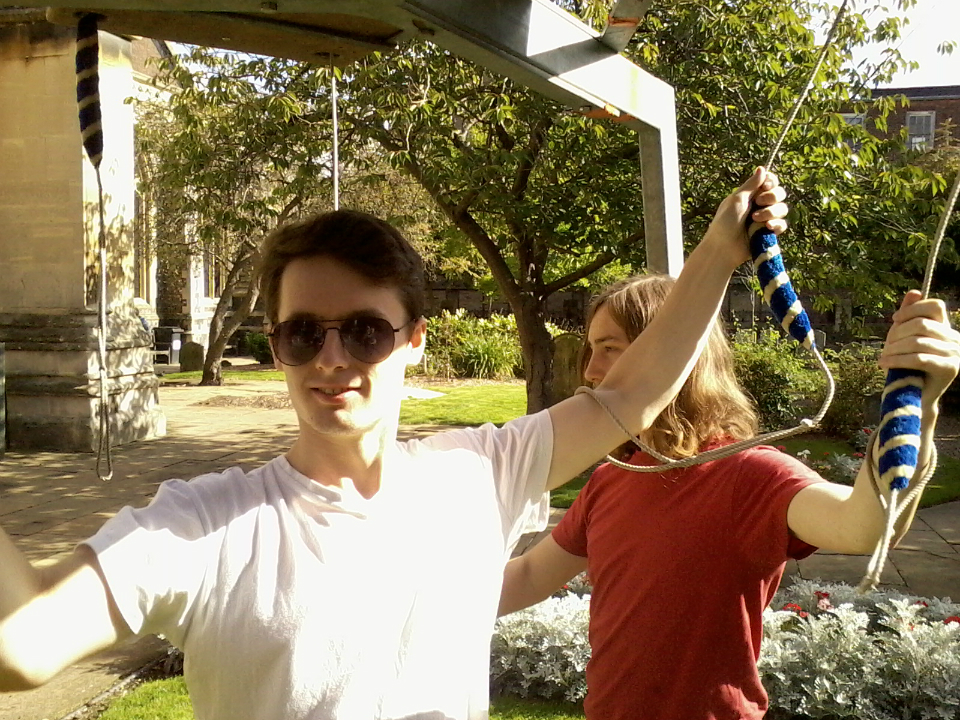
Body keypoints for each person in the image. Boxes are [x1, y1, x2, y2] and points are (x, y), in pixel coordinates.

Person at [0, 169, 788, 720]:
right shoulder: (204, 526)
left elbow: (630, 393)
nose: (333, 359)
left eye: (365, 332)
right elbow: (21, 645)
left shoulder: (479, 473)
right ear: (275, 341)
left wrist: (719, 251)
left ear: (414, 340)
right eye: (303, 333)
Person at [497, 273, 960, 720]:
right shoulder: (612, 478)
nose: (592, 371)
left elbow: (864, 526)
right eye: (591, 351)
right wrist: (430, 591)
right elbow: (531, 575)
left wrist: (919, 403)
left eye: (610, 349)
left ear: (673, 359)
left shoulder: (750, 475)